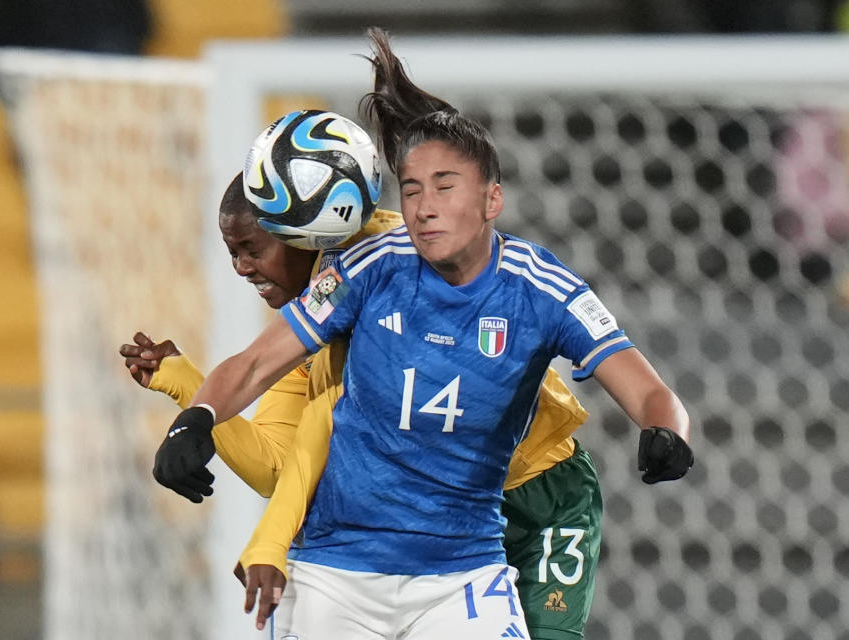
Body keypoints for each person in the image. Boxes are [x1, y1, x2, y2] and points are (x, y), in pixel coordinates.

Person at [146, 29, 693, 637]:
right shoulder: (358, 276)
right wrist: (194, 415)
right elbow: (263, 394)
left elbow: (644, 385)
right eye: (412, 190)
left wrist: (665, 427)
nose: (425, 207)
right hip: (367, 553)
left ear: (492, 200)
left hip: (512, 516)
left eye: (444, 188)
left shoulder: (537, 286)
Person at [124, 178, 599, 637]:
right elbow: (276, 466)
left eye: (252, 248)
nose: (242, 268)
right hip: (427, 519)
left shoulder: (383, 267)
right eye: (233, 253)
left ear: (305, 235)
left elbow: (321, 428)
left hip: (537, 489)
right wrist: (188, 389)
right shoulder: (305, 338)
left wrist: (269, 541)